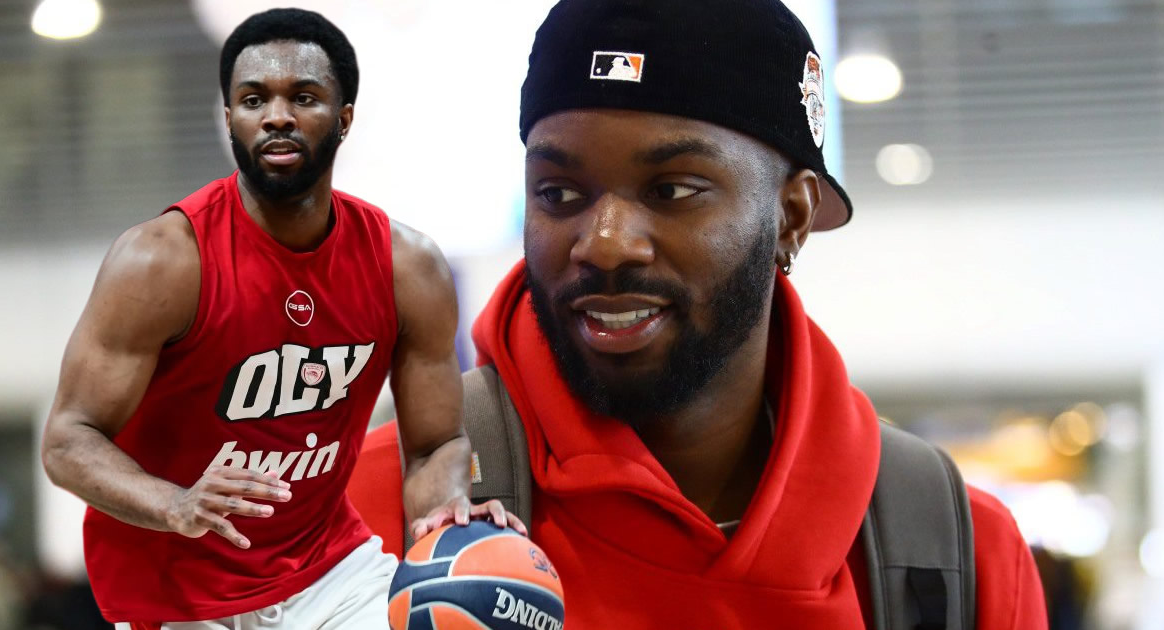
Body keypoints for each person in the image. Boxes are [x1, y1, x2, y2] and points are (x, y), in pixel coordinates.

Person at [348, 0, 1048, 628]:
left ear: (791, 216)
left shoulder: (952, 554)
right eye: (559, 193)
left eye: (674, 190)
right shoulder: (364, 509)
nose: (605, 243)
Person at [40, 8, 521, 629]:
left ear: (344, 119)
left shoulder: (408, 267)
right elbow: (68, 439)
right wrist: (176, 504)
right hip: (177, 589)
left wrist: (445, 518)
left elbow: (435, 444)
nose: (276, 116)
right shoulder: (161, 261)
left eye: (303, 97)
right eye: (253, 99)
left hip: (331, 573)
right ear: (229, 119)